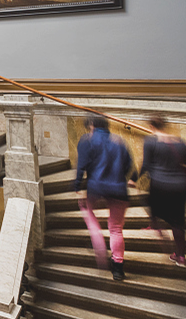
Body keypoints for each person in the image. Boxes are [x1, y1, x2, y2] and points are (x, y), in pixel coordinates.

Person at [74, 115, 137, 280]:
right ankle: (118, 267)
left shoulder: (87, 140)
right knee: (116, 228)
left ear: (92, 125)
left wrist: (77, 185)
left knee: (87, 210)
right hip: (118, 189)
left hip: (95, 187)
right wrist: (119, 179)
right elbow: (129, 165)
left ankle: (98, 243)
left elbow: (81, 165)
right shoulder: (119, 140)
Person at [138, 115, 186, 266]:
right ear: (164, 125)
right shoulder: (179, 142)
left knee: (150, 203)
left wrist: (134, 178)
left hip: (159, 184)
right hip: (180, 185)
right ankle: (181, 256)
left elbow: (146, 164)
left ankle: (156, 226)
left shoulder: (150, 141)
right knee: (177, 222)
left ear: (151, 127)